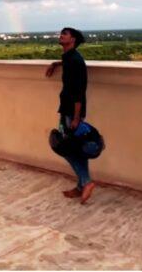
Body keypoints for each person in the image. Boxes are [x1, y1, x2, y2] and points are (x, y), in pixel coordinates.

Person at [44, 27, 95, 204]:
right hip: (66, 110)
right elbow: (66, 62)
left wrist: (75, 117)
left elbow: (79, 91)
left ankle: (87, 182)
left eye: (65, 34)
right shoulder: (69, 57)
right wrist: (55, 64)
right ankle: (81, 185)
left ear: (72, 40)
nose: (61, 35)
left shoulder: (75, 61)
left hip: (72, 112)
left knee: (67, 149)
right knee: (76, 148)